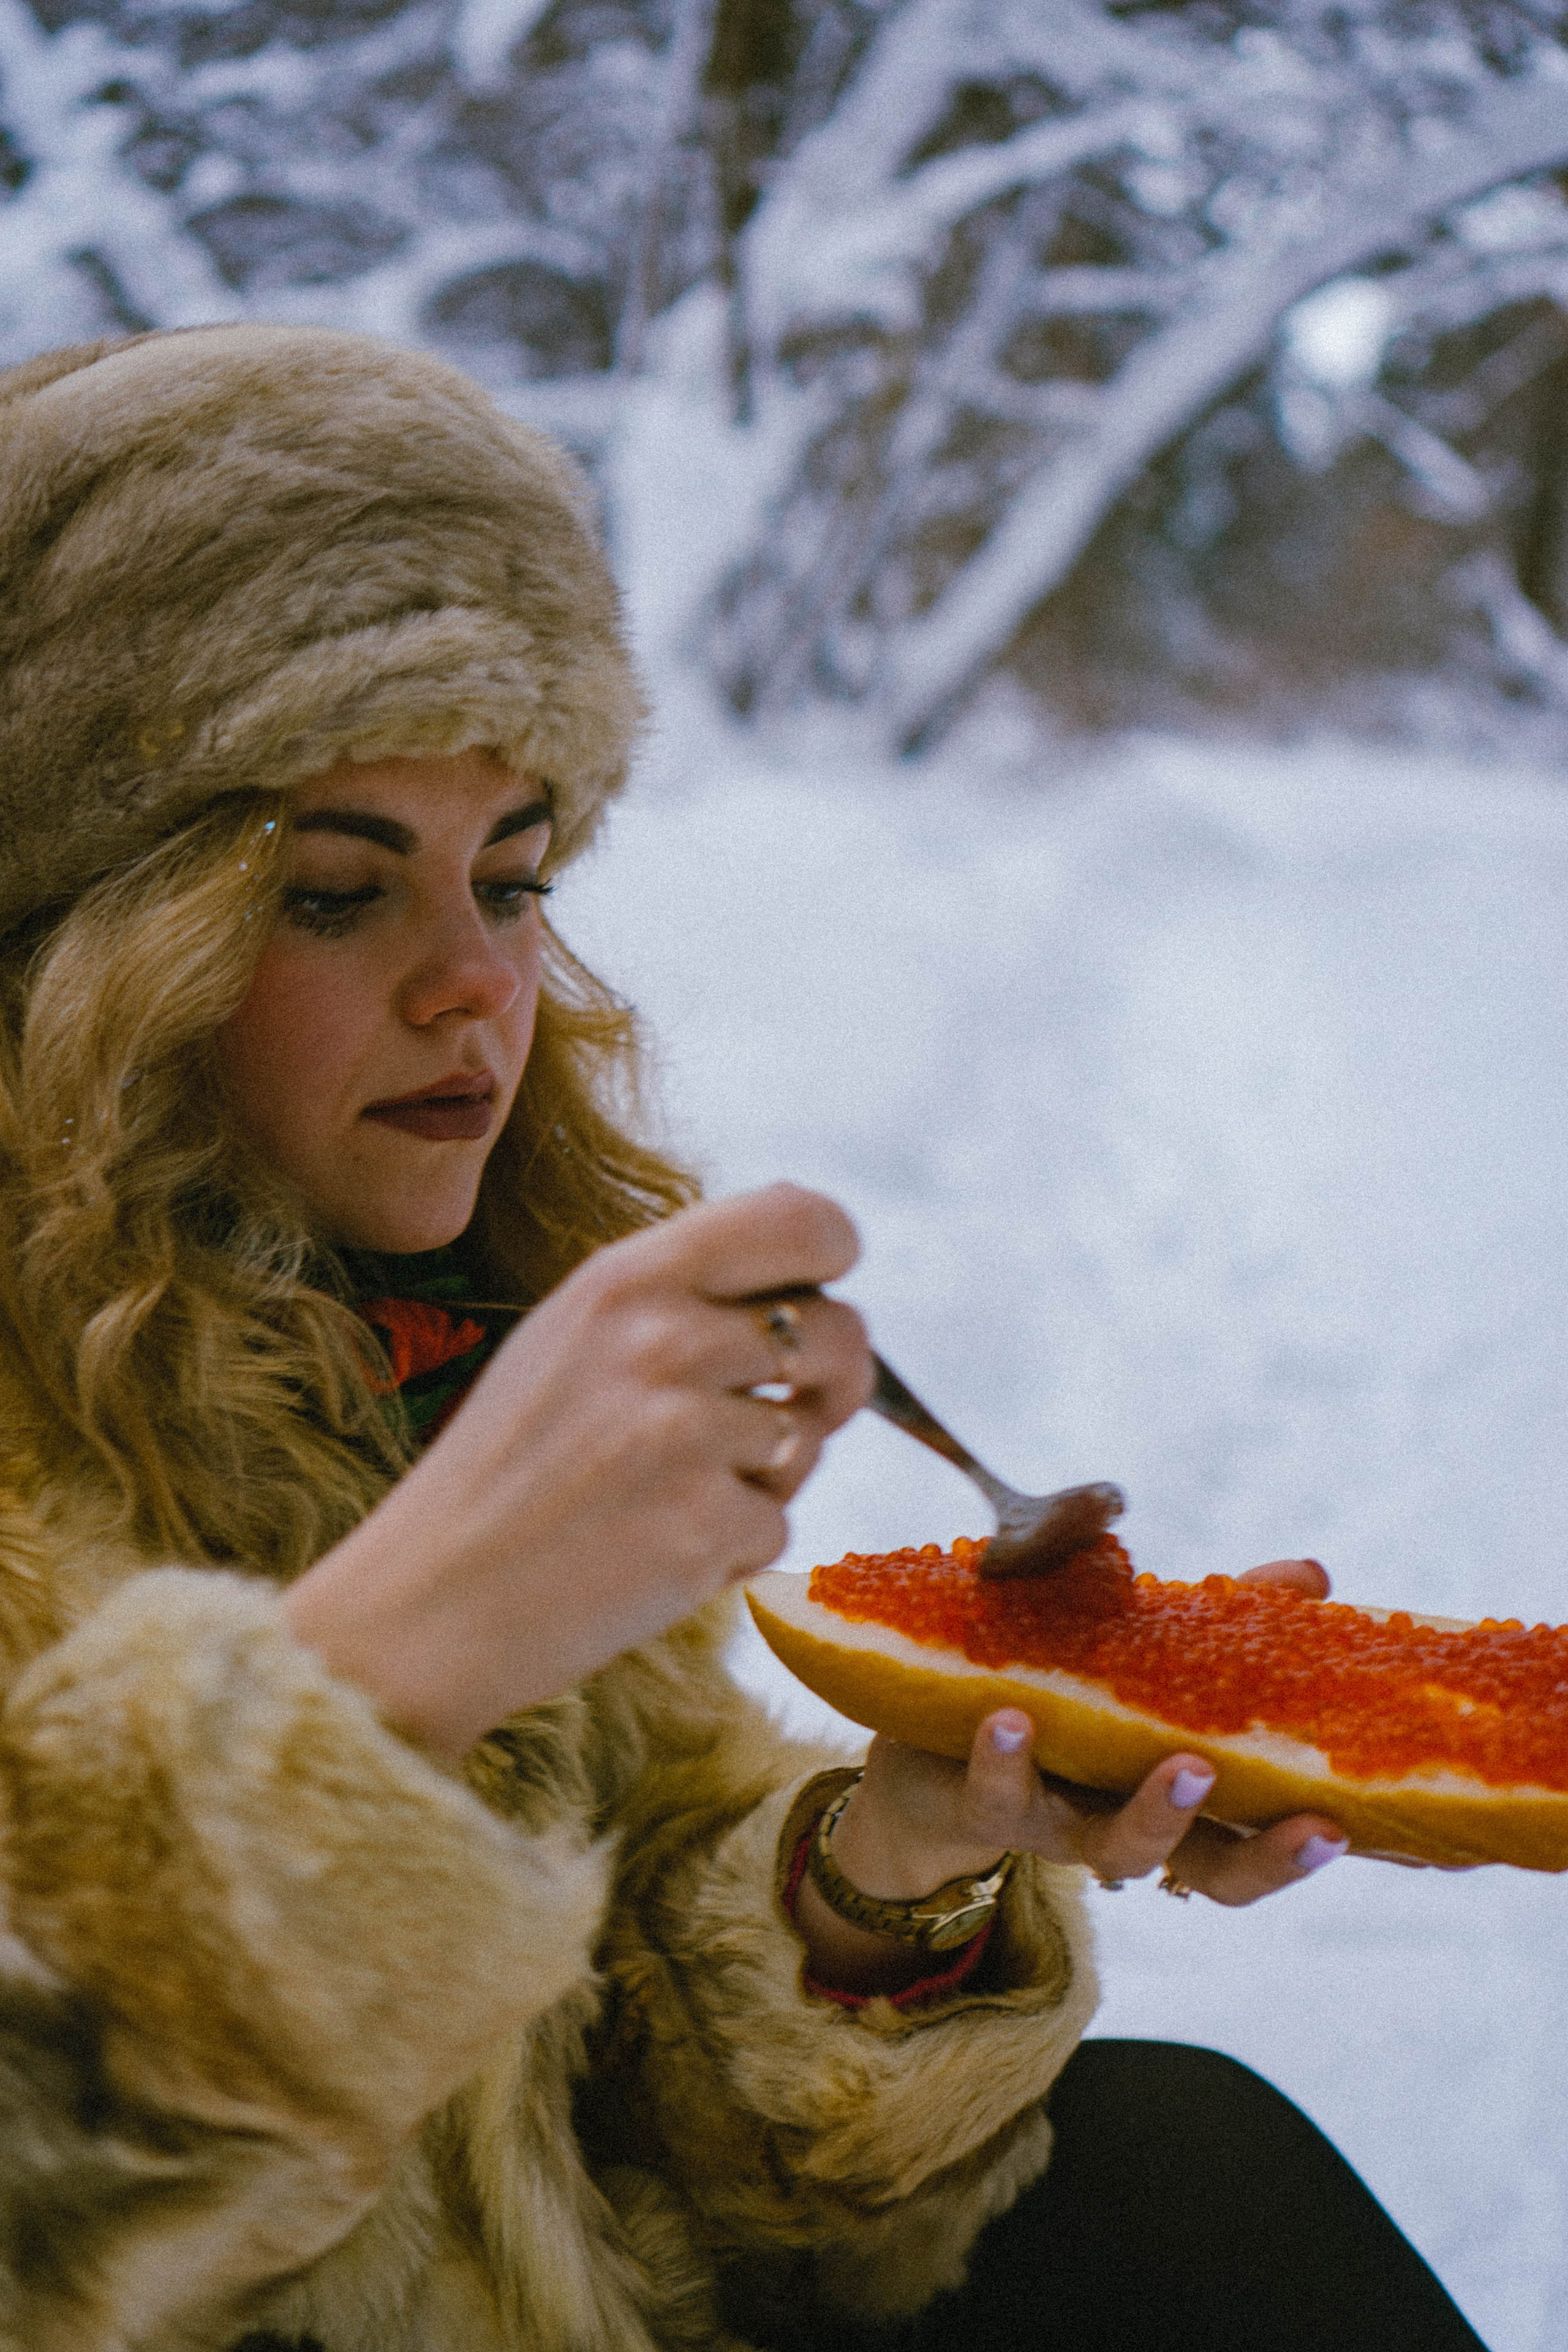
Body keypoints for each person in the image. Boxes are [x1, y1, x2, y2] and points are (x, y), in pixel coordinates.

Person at [0, 323, 1486, 2352]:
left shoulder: (432, 1331)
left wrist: (886, 1878)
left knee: (1182, 2162)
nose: (476, 991)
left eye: (513, 880)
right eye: (337, 898)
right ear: (81, 950)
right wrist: (392, 1674)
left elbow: (630, 2128)